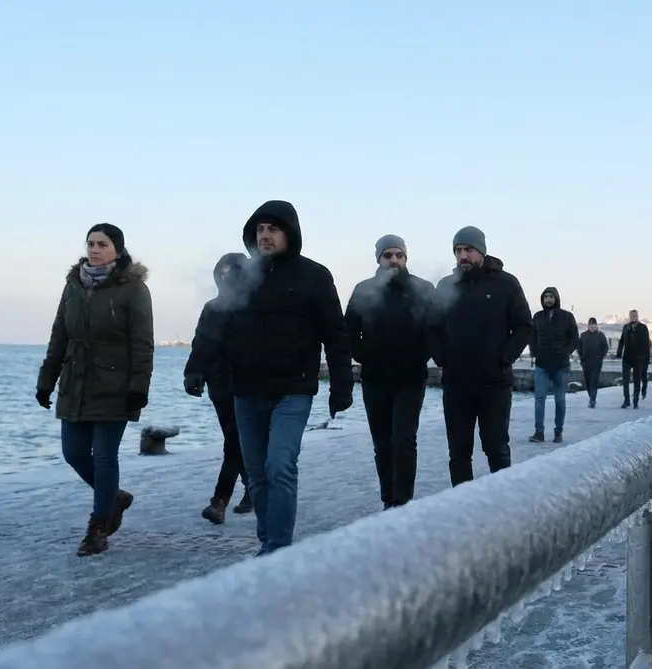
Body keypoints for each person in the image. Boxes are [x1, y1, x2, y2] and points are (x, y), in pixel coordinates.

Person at [186, 200, 354, 556]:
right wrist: (196, 367)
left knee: (279, 465)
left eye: (272, 229)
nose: (265, 235)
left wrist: (341, 386)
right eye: (260, 229)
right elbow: (216, 324)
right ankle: (267, 543)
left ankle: (278, 548)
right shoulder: (243, 277)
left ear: (289, 233)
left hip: (294, 389)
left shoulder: (314, 276)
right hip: (246, 391)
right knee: (257, 474)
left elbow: (335, 334)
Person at [36, 223, 154, 557]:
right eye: (90, 244)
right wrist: (47, 380)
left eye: (102, 244)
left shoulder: (133, 289)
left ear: (118, 249)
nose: (95, 249)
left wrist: (138, 388)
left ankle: (98, 527)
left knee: (104, 457)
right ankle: (114, 496)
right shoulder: (73, 285)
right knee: (73, 452)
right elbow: (60, 334)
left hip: (114, 386)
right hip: (75, 383)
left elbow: (142, 343)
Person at [430, 226, 533, 486]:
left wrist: (504, 357)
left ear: (482, 252)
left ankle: (502, 504)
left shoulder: (506, 283)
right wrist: (442, 357)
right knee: (459, 453)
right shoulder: (445, 286)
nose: (463, 256)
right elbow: (432, 326)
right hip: (456, 384)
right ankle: (462, 509)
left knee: (496, 449)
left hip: (494, 384)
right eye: (458, 251)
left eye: (468, 250)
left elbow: (524, 326)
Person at [344, 234, 437, 509]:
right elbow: (349, 330)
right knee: (382, 443)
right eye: (388, 255)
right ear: (379, 259)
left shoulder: (422, 288)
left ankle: (404, 500)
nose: (394, 260)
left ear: (406, 257)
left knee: (404, 440)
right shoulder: (363, 290)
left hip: (410, 377)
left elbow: (434, 327)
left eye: (399, 255)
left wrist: (421, 355)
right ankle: (389, 498)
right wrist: (364, 355)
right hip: (375, 378)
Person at [183, 252, 253, 525]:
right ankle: (250, 491)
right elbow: (202, 342)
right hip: (221, 386)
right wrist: (193, 372)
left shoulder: (255, 307)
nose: (229, 279)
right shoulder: (213, 307)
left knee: (236, 444)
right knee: (236, 443)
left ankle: (220, 500)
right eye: (224, 274)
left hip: (249, 386)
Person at [528, 287, 578, 443]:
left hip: (561, 365)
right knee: (539, 398)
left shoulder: (567, 317)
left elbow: (574, 338)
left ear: (556, 298)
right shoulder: (537, 317)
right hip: (542, 364)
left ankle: (558, 431)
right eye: (546, 297)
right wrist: (535, 353)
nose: (548, 300)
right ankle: (539, 432)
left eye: (551, 297)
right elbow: (532, 337)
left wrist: (566, 352)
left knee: (559, 399)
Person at [616, 309, 652, 409]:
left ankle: (635, 400)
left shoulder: (643, 328)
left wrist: (647, 359)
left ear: (637, 316)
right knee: (625, 380)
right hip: (627, 357)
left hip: (639, 358)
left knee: (637, 380)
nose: (633, 317)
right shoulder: (626, 327)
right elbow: (622, 341)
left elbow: (646, 344)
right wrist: (619, 353)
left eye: (635, 316)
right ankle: (626, 400)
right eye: (631, 316)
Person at [577, 317, 609, 408]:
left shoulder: (600, 335)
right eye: (590, 325)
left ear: (596, 326)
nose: (592, 327)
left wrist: (601, 356)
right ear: (588, 326)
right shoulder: (583, 335)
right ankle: (591, 397)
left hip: (596, 362)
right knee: (587, 381)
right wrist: (581, 356)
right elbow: (579, 347)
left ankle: (592, 400)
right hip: (586, 362)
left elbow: (605, 347)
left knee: (594, 381)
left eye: (593, 325)